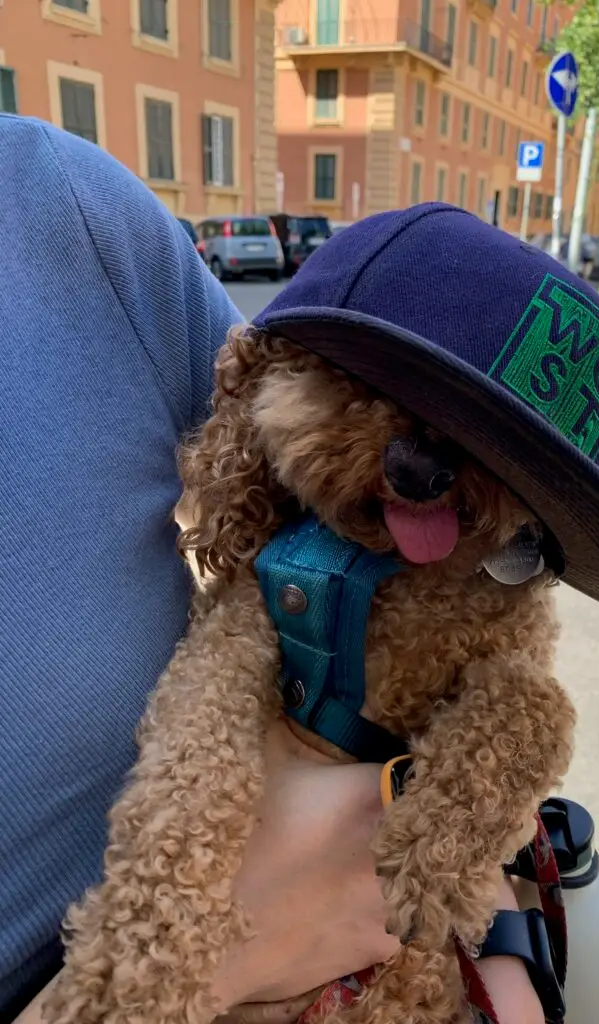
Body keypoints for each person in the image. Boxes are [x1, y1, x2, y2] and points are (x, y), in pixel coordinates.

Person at [0, 114, 543, 1024]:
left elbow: (517, 709)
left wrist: (504, 950)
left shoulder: (72, 211)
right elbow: (255, 463)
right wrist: (209, 949)